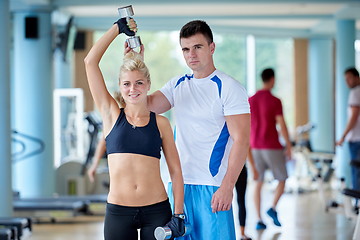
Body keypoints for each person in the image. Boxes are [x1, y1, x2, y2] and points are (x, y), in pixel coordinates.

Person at [131, 20, 250, 240]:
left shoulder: (229, 87)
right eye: (186, 49)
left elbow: (242, 140)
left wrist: (227, 186)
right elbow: (142, 104)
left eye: (197, 47)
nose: (191, 54)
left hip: (212, 187)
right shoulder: (177, 85)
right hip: (178, 188)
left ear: (211, 48)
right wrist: (136, 63)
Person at [84, 19, 185, 240]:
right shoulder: (111, 114)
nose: (133, 89)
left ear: (148, 85)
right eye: (127, 84)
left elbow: (176, 171)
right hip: (119, 212)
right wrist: (117, 29)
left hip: (157, 211)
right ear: (120, 87)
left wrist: (179, 213)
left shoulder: (161, 123)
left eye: (139, 83)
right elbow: (90, 62)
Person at [249, 68, 291, 230]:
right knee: (282, 179)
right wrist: (288, 145)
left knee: (257, 182)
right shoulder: (275, 101)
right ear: (272, 79)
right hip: (272, 146)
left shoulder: (251, 100)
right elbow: (282, 124)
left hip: (255, 147)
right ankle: (272, 207)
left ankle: (259, 220)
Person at [336, 67, 360, 200]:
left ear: (357, 77)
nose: (347, 82)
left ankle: (358, 206)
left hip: (356, 140)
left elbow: (353, 117)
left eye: (349, 78)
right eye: (345, 79)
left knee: (357, 173)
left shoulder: (355, 93)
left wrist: (343, 137)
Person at [235, 149, 258, 240]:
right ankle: (242, 233)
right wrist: (253, 168)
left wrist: (253, 168)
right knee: (241, 201)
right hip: (238, 168)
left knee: (240, 201)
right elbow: (247, 148)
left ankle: (242, 233)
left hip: (229, 168)